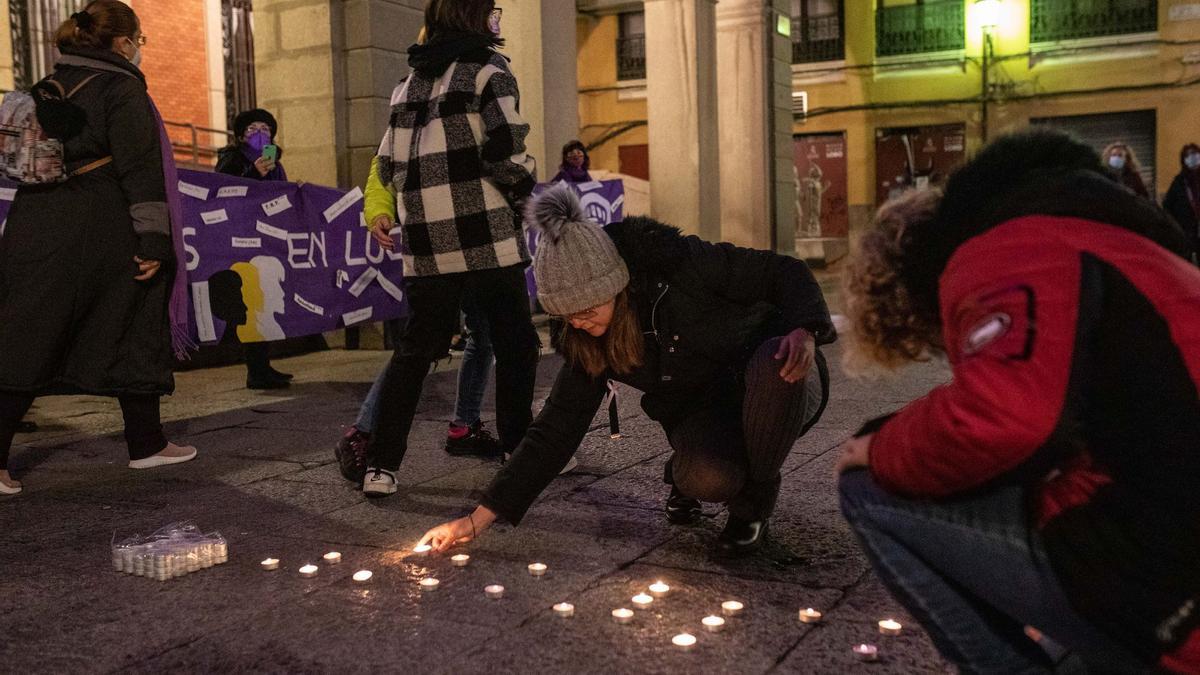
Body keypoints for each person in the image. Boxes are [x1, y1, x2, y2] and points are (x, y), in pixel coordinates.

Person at [835, 129, 1200, 673]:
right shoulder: (1107, 232)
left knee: (865, 489)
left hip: (1176, 578)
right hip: (1171, 517)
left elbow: (1008, 420)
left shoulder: (1004, 248)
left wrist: (883, 448)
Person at [418, 184, 835, 556]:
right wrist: (478, 518)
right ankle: (685, 474)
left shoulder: (683, 267)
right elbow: (556, 428)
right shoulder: (589, 341)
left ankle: (752, 512)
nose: (578, 321)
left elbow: (783, 271)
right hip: (702, 409)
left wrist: (805, 328)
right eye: (566, 315)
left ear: (614, 285)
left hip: (775, 372)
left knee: (775, 369)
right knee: (709, 478)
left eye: (587, 307)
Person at [0, 1, 198, 496]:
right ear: (123, 42)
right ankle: (145, 443)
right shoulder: (121, 87)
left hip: (36, 221)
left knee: (32, 332)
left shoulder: (52, 83)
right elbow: (139, 169)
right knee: (133, 318)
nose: (139, 49)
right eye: (140, 40)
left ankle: (147, 441)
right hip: (98, 226)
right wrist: (155, 238)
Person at [356, 0, 540, 498]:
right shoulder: (488, 71)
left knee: (415, 351)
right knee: (516, 344)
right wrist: (532, 196)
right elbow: (507, 152)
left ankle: (381, 465)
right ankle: (517, 452)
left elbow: (388, 166)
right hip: (486, 235)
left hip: (426, 243)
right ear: (476, 15)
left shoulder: (406, 84)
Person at [215, 109, 293, 390]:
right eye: (252, 128)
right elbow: (221, 190)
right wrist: (252, 173)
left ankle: (264, 365)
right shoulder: (232, 159)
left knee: (267, 298)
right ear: (240, 136)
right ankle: (255, 370)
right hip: (243, 239)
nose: (259, 132)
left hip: (269, 238)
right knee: (252, 298)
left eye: (265, 128)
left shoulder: (276, 163)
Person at [1164, 143, 1200, 257]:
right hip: (1187, 230)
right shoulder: (1179, 181)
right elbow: (1167, 205)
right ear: (1183, 160)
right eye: (1188, 155)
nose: (1192, 158)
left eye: (1195, 154)